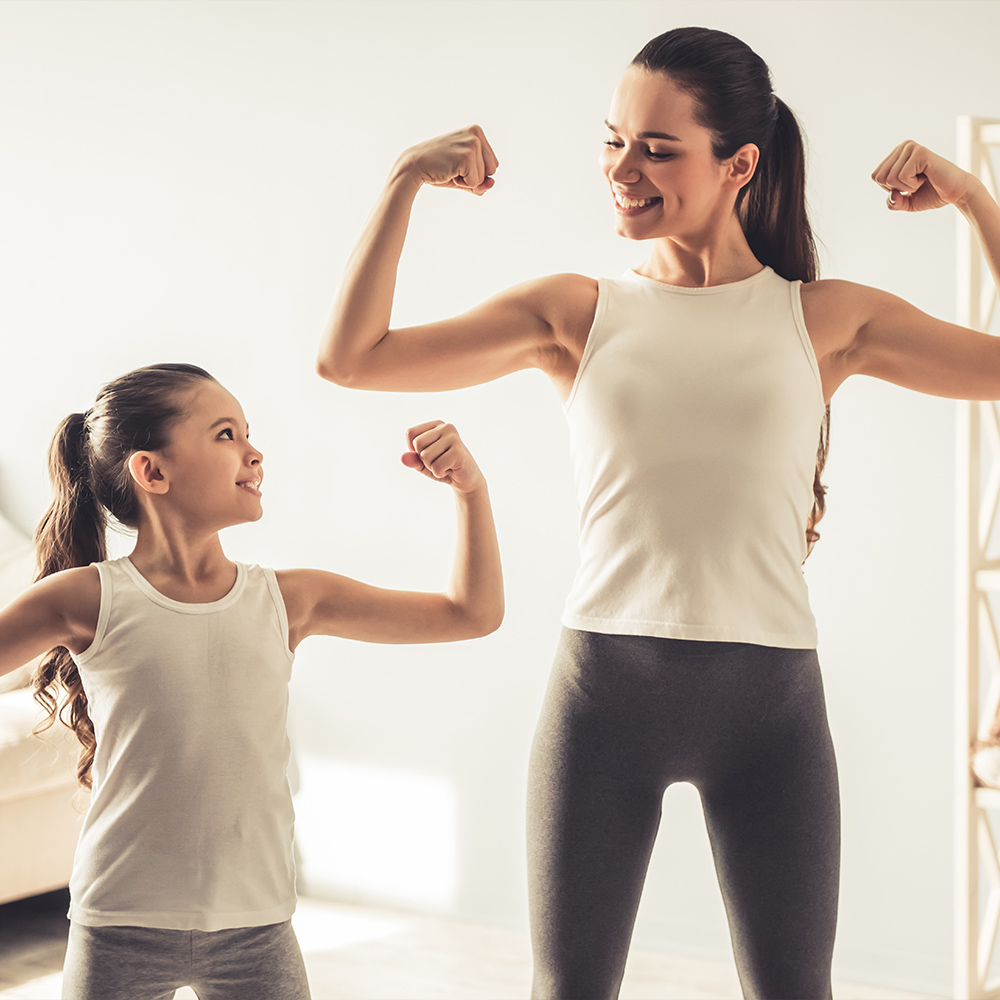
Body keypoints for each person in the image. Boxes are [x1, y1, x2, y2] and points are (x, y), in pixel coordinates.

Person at [316, 24, 1000, 1000]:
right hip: (603, 695)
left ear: (740, 164)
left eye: (656, 147)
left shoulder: (824, 319)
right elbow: (353, 357)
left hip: (771, 714)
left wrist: (973, 196)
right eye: (612, 140)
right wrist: (401, 181)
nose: (621, 170)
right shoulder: (575, 312)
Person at [0, 362, 503, 1000]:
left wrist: (471, 491)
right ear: (152, 471)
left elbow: (471, 614)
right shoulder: (88, 597)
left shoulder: (291, 600)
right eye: (225, 434)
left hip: (257, 929)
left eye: (245, 432)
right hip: (119, 923)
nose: (254, 451)